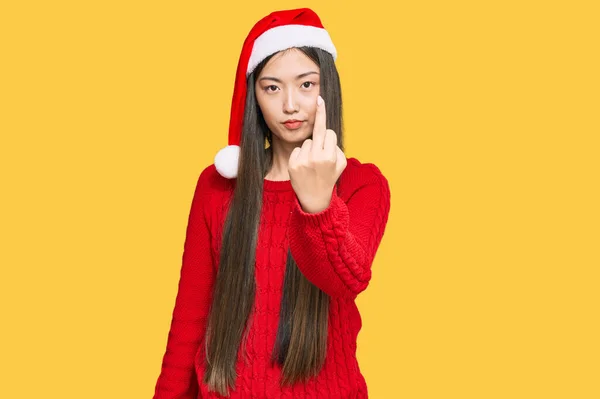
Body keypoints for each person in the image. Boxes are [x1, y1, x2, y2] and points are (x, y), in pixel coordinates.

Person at [153, 8, 391, 399]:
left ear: (326, 88)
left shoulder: (361, 184)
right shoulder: (217, 187)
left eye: (306, 84)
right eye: (272, 88)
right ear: (255, 98)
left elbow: (348, 279)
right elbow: (189, 322)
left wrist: (317, 206)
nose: (291, 105)